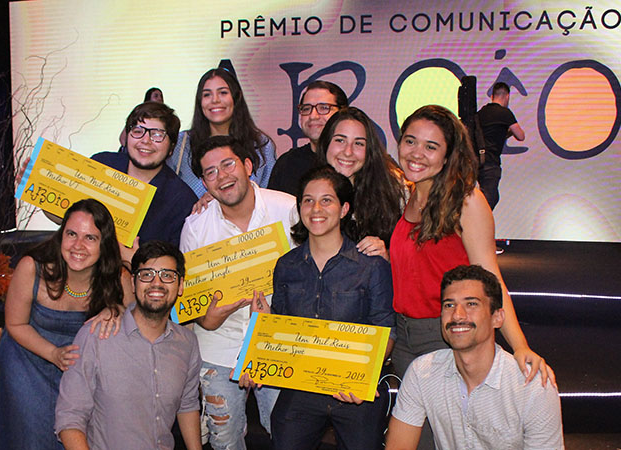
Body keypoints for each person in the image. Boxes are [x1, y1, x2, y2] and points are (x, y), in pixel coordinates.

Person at [390, 105, 553, 449]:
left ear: (448, 155)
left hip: (446, 335)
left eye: (431, 147)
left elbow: (491, 280)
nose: (417, 153)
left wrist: (520, 345)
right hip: (404, 338)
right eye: (410, 141)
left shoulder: (466, 201)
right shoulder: (406, 196)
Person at [263, 166, 395, 450]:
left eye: (327, 200)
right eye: (308, 200)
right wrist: (258, 344)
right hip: (301, 388)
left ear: (344, 208)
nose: (315, 208)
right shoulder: (286, 265)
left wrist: (362, 380)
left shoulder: (372, 266)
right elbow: (280, 328)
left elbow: (386, 330)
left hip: (354, 391)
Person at [180, 135, 296, 450]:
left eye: (228, 164)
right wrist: (208, 319)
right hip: (218, 347)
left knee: (288, 435)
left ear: (247, 166)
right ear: (203, 182)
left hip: (278, 344)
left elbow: (309, 280)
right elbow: (191, 303)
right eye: (210, 172)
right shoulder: (195, 226)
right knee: (224, 440)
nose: (222, 177)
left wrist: (273, 323)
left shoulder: (287, 208)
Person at [0, 199, 128, 450]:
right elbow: (15, 324)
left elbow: (135, 321)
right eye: (71, 234)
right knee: (32, 435)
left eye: (90, 238)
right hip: (28, 358)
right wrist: (54, 353)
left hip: (82, 367)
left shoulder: (118, 277)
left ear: (104, 244)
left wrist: (116, 311)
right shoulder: (32, 267)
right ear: (61, 235)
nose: (78, 245)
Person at [386, 265, 563, 449]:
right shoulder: (422, 373)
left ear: (497, 317)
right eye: (449, 305)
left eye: (471, 304)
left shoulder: (532, 385)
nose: (457, 315)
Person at [55, 240, 202, 450]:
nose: (156, 283)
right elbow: (70, 417)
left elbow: (187, 404)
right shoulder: (96, 336)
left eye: (167, 275)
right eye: (147, 275)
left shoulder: (187, 343)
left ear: (180, 286)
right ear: (133, 283)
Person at [92, 102, 197, 257]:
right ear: (126, 137)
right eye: (138, 131)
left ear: (171, 148)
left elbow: (173, 265)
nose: (145, 140)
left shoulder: (182, 201)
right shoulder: (101, 165)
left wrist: (131, 260)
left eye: (157, 134)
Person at [316, 107, 408, 259]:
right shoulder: (310, 189)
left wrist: (387, 257)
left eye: (358, 143)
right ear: (326, 143)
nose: (348, 151)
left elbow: (411, 256)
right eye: (340, 140)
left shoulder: (393, 189)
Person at [170, 68, 276, 198]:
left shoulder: (261, 145)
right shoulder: (182, 144)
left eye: (223, 93)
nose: (215, 100)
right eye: (207, 95)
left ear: (236, 97)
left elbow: (270, 197)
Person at [267, 81, 348, 195]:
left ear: (343, 113)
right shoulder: (287, 164)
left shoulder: (352, 161)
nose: (313, 116)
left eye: (324, 108)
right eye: (306, 108)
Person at [475, 82, 525, 210]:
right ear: (507, 96)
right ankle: (477, 225)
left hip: (476, 161)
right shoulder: (505, 113)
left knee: (482, 196)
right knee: (490, 199)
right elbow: (520, 135)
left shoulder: (481, 113)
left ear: (492, 96)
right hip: (491, 162)